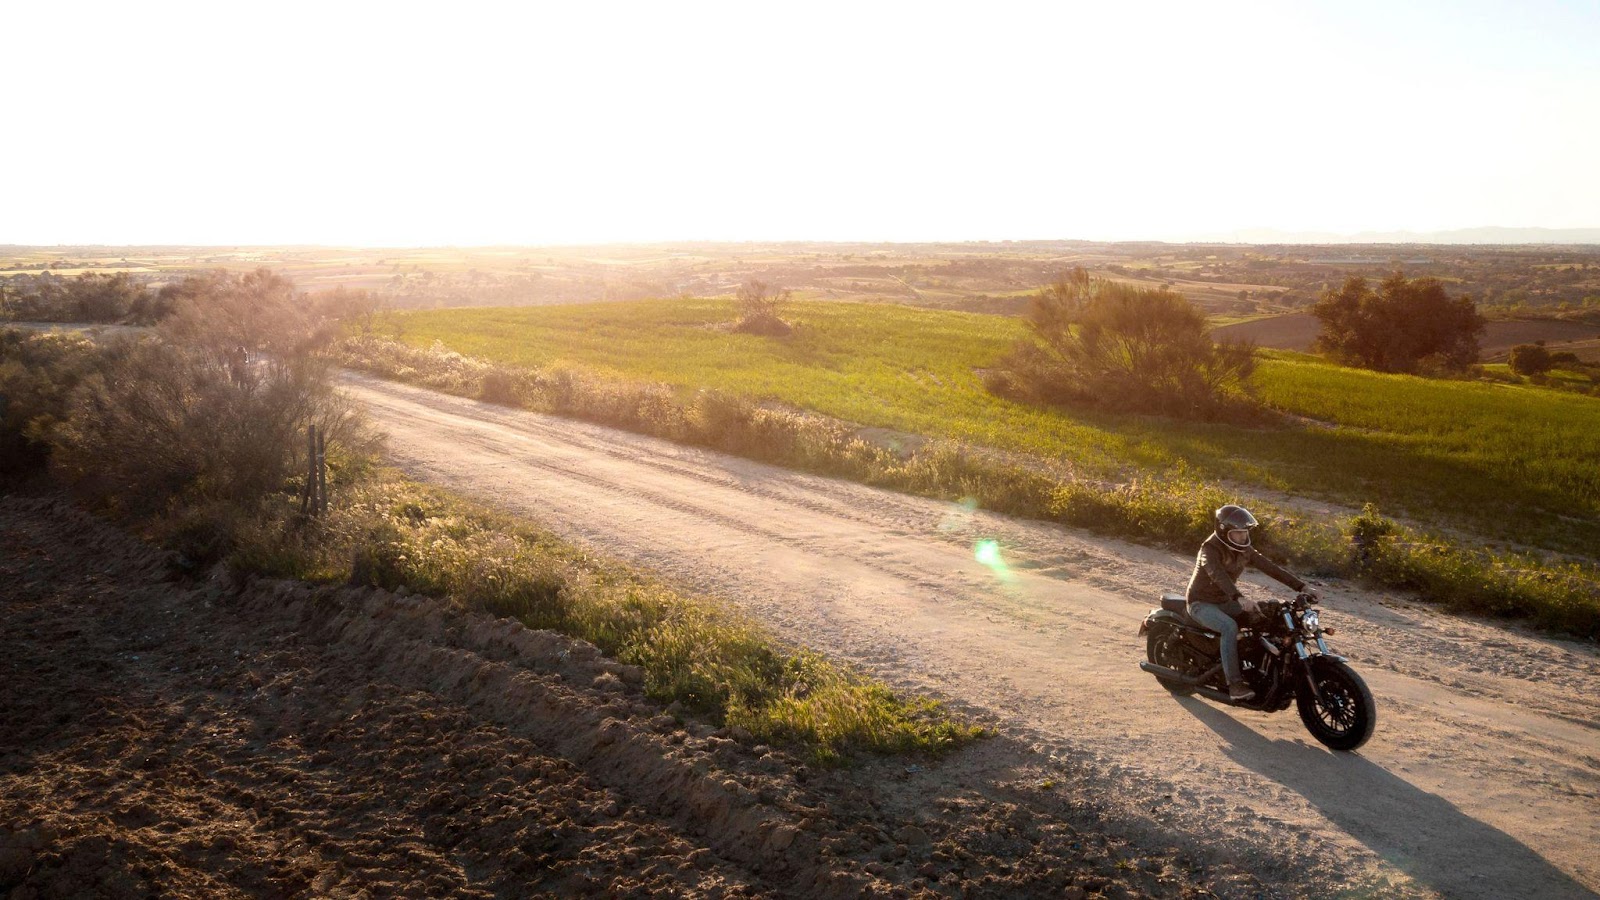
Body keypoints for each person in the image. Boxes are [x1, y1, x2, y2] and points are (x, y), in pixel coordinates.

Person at [1185, 504, 1318, 702]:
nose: (1243, 537)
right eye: (1238, 533)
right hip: (1201, 604)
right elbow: (1217, 575)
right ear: (1224, 531)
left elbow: (1270, 568)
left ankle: (1261, 669)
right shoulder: (1209, 549)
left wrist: (1302, 587)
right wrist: (1239, 597)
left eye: (1245, 533)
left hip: (1225, 601)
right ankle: (1235, 684)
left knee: (1268, 616)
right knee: (1229, 627)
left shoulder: (1244, 549)